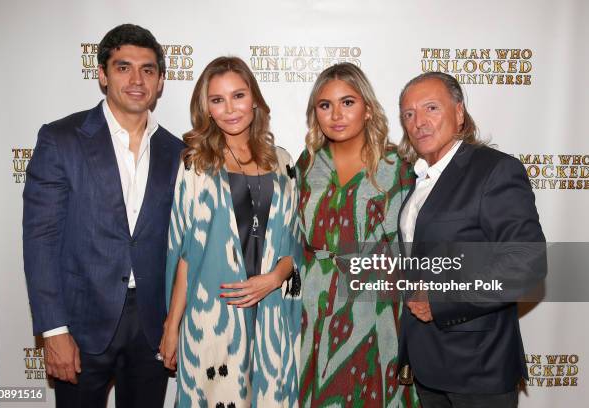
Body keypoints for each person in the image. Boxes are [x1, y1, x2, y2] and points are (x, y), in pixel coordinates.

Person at [22, 24, 185, 407]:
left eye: (147, 70)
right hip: (80, 324)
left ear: (160, 81)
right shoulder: (61, 139)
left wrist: (175, 324)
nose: (136, 79)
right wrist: (54, 329)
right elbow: (40, 240)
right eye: (123, 67)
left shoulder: (176, 152)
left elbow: (183, 245)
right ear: (102, 74)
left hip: (151, 326)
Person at [396, 71, 546, 408]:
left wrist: (441, 299)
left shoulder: (494, 170)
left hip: (478, 365)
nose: (419, 122)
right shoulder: (421, 178)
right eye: (409, 113)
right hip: (428, 361)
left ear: (459, 113)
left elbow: (526, 266)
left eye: (431, 108)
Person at [160, 56, 302, 407]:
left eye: (238, 96)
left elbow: (296, 245)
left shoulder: (283, 162)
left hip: (272, 313)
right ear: (206, 108)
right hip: (213, 316)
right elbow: (184, 255)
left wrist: (273, 278)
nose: (230, 109)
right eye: (217, 100)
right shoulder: (196, 163)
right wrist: (171, 325)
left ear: (254, 98)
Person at [296, 63, 418, 407]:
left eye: (347, 102)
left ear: (368, 109)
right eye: (325, 105)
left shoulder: (399, 166)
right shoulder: (306, 164)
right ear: (315, 114)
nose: (336, 114)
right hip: (313, 306)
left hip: (375, 310)